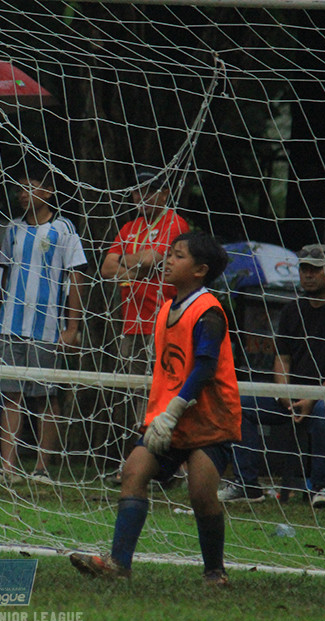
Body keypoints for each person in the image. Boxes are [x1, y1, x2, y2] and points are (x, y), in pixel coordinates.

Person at [71, 231, 238, 585]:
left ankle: (214, 572)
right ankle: (118, 564)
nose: (168, 261)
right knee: (133, 473)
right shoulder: (166, 309)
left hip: (208, 419)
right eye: (170, 254)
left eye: (178, 256)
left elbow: (205, 368)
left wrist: (174, 410)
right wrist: (162, 415)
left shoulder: (208, 311)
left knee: (201, 496)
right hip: (166, 419)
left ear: (200, 270)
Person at [217, 243, 325, 509]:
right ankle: (247, 484)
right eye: (304, 269)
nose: (308, 275)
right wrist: (284, 392)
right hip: (294, 395)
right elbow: (282, 358)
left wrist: (314, 397)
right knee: (239, 402)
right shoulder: (291, 310)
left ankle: (321, 487)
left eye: (315, 270)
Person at [0, 167, 87, 485]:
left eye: (30, 187)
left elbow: (76, 278)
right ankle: (8, 468)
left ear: (49, 193)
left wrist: (72, 327)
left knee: (45, 395)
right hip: (11, 325)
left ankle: (42, 469)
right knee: (11, 394)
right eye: (19, 189)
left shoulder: (63, 228)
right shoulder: (12, 230)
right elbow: (1, 274)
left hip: (47, 327)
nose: (22, 194)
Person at [100, 169, 190, 482]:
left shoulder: (174, 223)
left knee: (163, 395)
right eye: (137, 191)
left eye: (149, 191)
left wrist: (130, 260)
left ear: (164, 194)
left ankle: (170, 466)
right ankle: (136, 465)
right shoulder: (128, 226)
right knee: (130, 397)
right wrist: (137, 262)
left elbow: (155, 258)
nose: (141, 197)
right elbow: (107, 268)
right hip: (132, 325)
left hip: (165, 323)